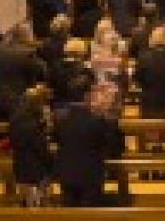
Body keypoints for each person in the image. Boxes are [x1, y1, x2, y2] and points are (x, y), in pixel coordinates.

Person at [53, 74, 124, 207]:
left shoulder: (60, 118)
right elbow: (112, 145)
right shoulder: (96, 118)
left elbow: (56, 139)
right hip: (90, 173)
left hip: (66, 172)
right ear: (86, 95)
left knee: (69, 212)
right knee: (90, 213)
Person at [9, 86, 54, 207]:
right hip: (36, 169)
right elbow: (41, 149)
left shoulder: (15, 119)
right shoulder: (32, 125)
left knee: (25, 201)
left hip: (20, 165)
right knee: (38, 204)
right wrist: (52, 162)